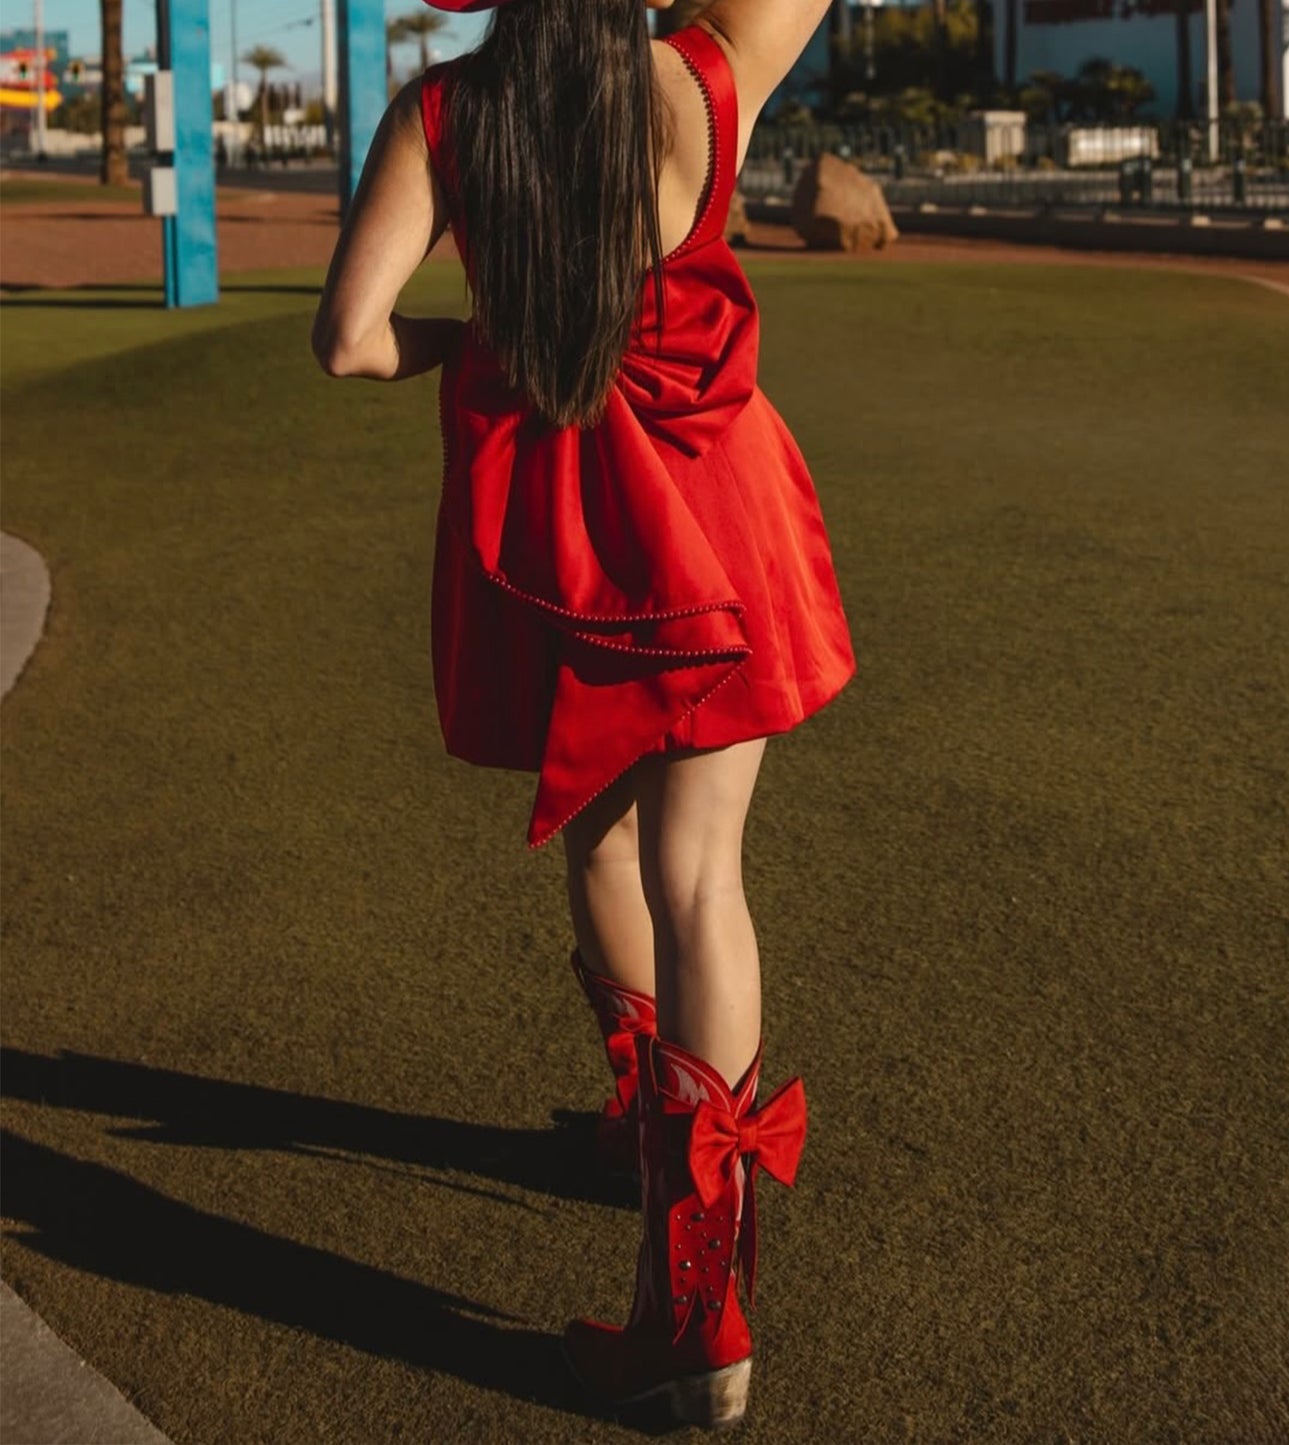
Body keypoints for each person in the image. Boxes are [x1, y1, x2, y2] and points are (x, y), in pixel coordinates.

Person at [310, 0, 853, 1426]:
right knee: (702, 877)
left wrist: (478, 338)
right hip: (720, 509)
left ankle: (644, 1138)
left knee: (608, 847)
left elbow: (349, 341)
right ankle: (696, 1302)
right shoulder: (701, 76)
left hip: (575, 532)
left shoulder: (446, 112)